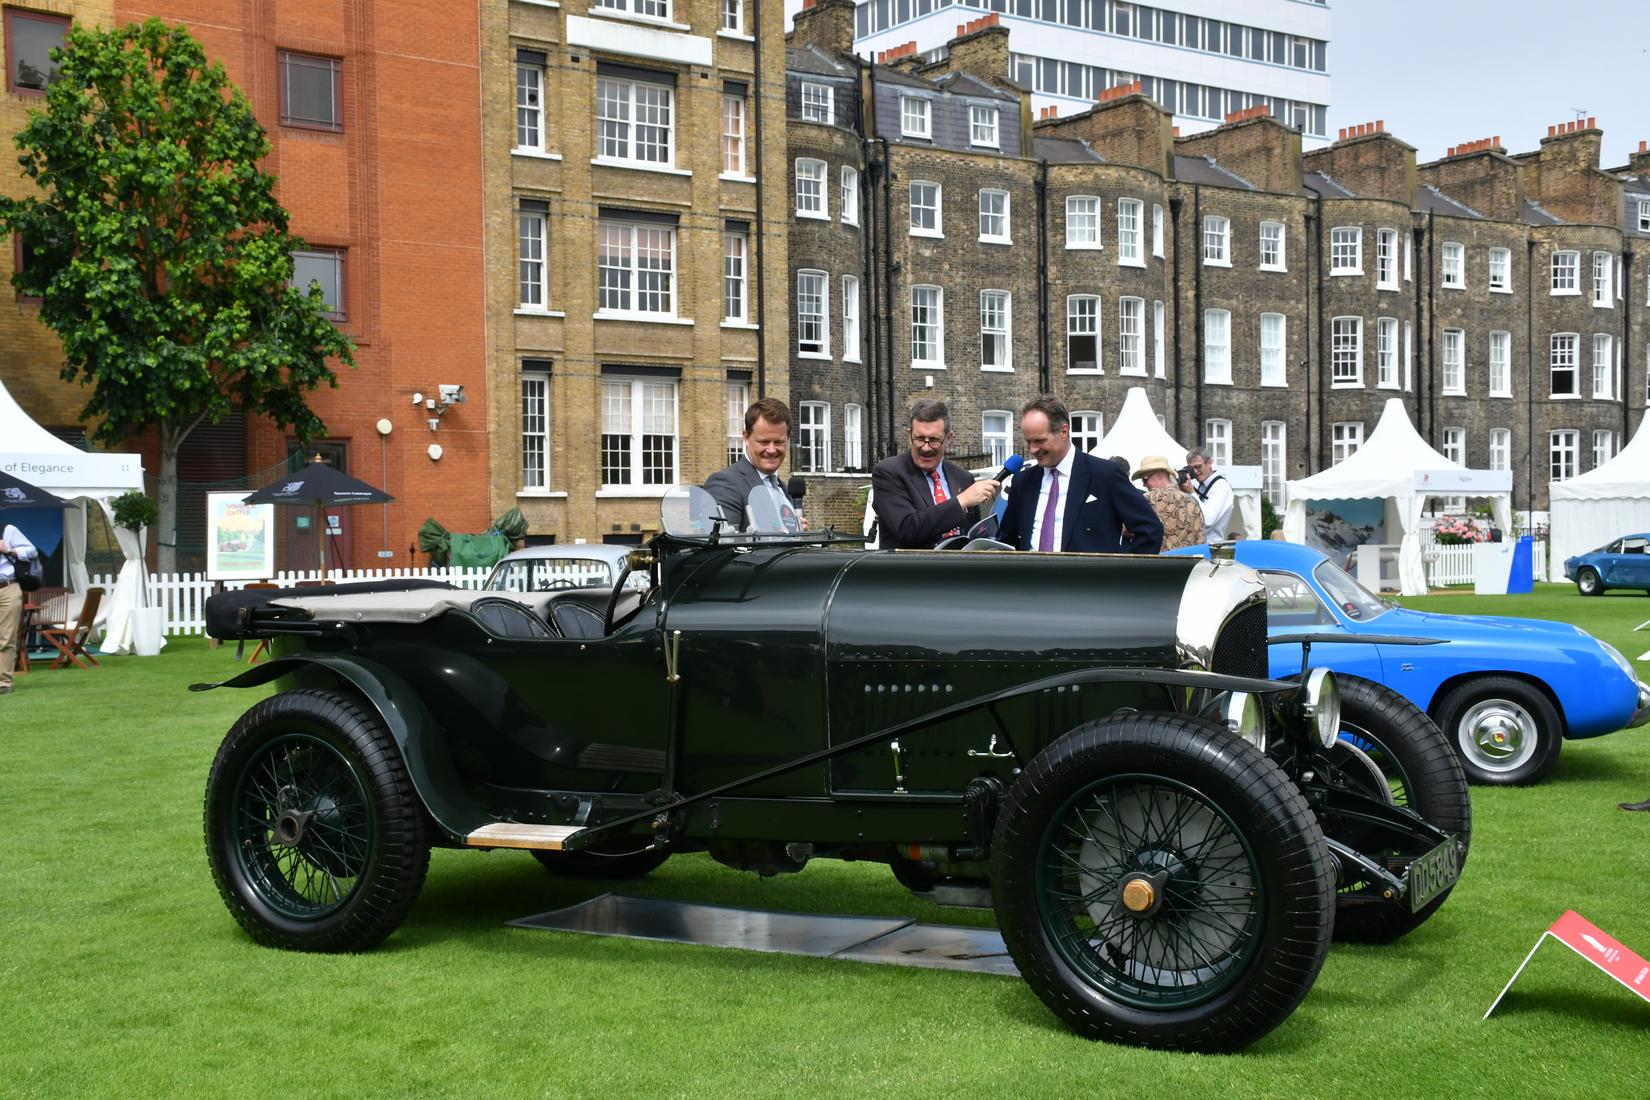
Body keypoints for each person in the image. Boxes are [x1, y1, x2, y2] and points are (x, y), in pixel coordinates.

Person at [998, 395, 1161, 554]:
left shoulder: (1105, 475)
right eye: (1028, 441)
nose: (1032, 449)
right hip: (1032, 580)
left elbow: (1149, 530)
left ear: (1064, 431)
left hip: (1087, 580)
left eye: (1039, 441)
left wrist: (1119, 574)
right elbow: (1007, 541)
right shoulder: (1023, 481)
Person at [871, 399, 1001, 549]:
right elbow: (907, 528)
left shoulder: (963, 478)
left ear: (949, 438)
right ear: (909, 435)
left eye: (934, 440)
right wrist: (961, 501)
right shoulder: (889, 472)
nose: (926, 448)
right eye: (919, 439)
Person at [705, 396, 798, 532]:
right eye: (764, 442)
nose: (771, 450)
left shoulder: (785, 491)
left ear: (788, 441)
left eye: (778, 442)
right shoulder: (724, 484)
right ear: (746, 437)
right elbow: (725, 547)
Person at [1133, 455, 1204, 551]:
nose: (1144, 484)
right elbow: (1200, 538)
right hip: (1189, 563)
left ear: (1159, 475)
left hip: (1159, 563)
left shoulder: (1146, 499)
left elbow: (1129, 530)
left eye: (1145, 479)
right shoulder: (1192, 501)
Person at [1, 521, 40, 696]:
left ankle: (3, 682)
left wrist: (9, 550)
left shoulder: (8, 530)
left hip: (7, 587)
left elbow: (32, 551)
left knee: (6, 637)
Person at [1180, 446, 1233, 540]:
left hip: (1212, 549)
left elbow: (1208, 521)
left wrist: (1192, 493)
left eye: (1198, 466)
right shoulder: (1201, 485)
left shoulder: (1221, 486)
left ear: (1210, 462)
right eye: (1192, 469)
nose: (1196, 472)